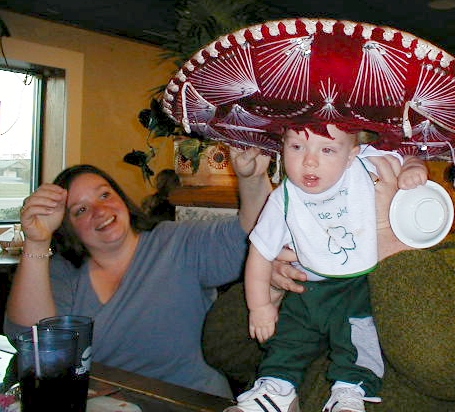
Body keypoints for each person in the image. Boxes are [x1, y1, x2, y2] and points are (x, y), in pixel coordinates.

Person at [3, 147, 272, 399]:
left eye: (105, 194)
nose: (100, 211)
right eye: (81, 210)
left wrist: (252, 178)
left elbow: (252, 237)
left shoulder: (175, 243)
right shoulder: (65, 272)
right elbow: (32, 340)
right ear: (68, 227)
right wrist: (37, 241)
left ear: (121, 197)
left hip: (191, 402)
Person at [225, 124, 427, 412]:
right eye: (297, 147)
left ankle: (349, 393)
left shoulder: (364, 168)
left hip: (356, 287)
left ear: (350, 155)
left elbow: (402, 155)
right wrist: (260, 307)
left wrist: (413, 167)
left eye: (328, 149)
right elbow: (259, 253)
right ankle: (276, 390)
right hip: (307, 288)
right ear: (282, 148)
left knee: (357, 343)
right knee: (287, 340)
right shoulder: (283, 197)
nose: (310, 160)